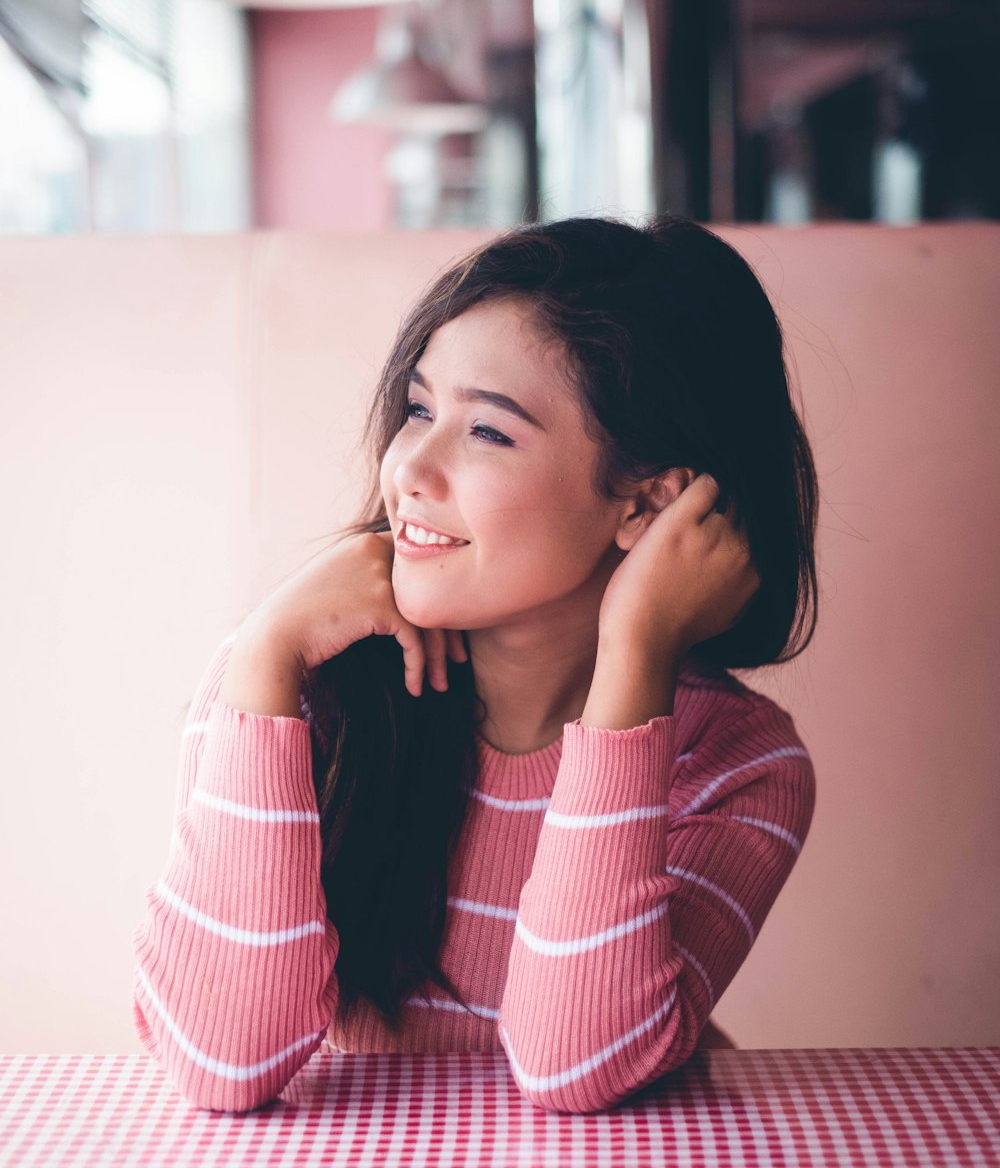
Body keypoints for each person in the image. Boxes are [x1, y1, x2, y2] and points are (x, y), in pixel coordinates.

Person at [131, 215, 819, 1115]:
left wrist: (633, 660)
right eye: (419, 408)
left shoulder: (738, 766)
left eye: (488, 433)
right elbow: (218, 1060)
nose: (409, 465)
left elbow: (577, 1065)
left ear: (648, 502)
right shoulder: (287, 687)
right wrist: (262, 656)